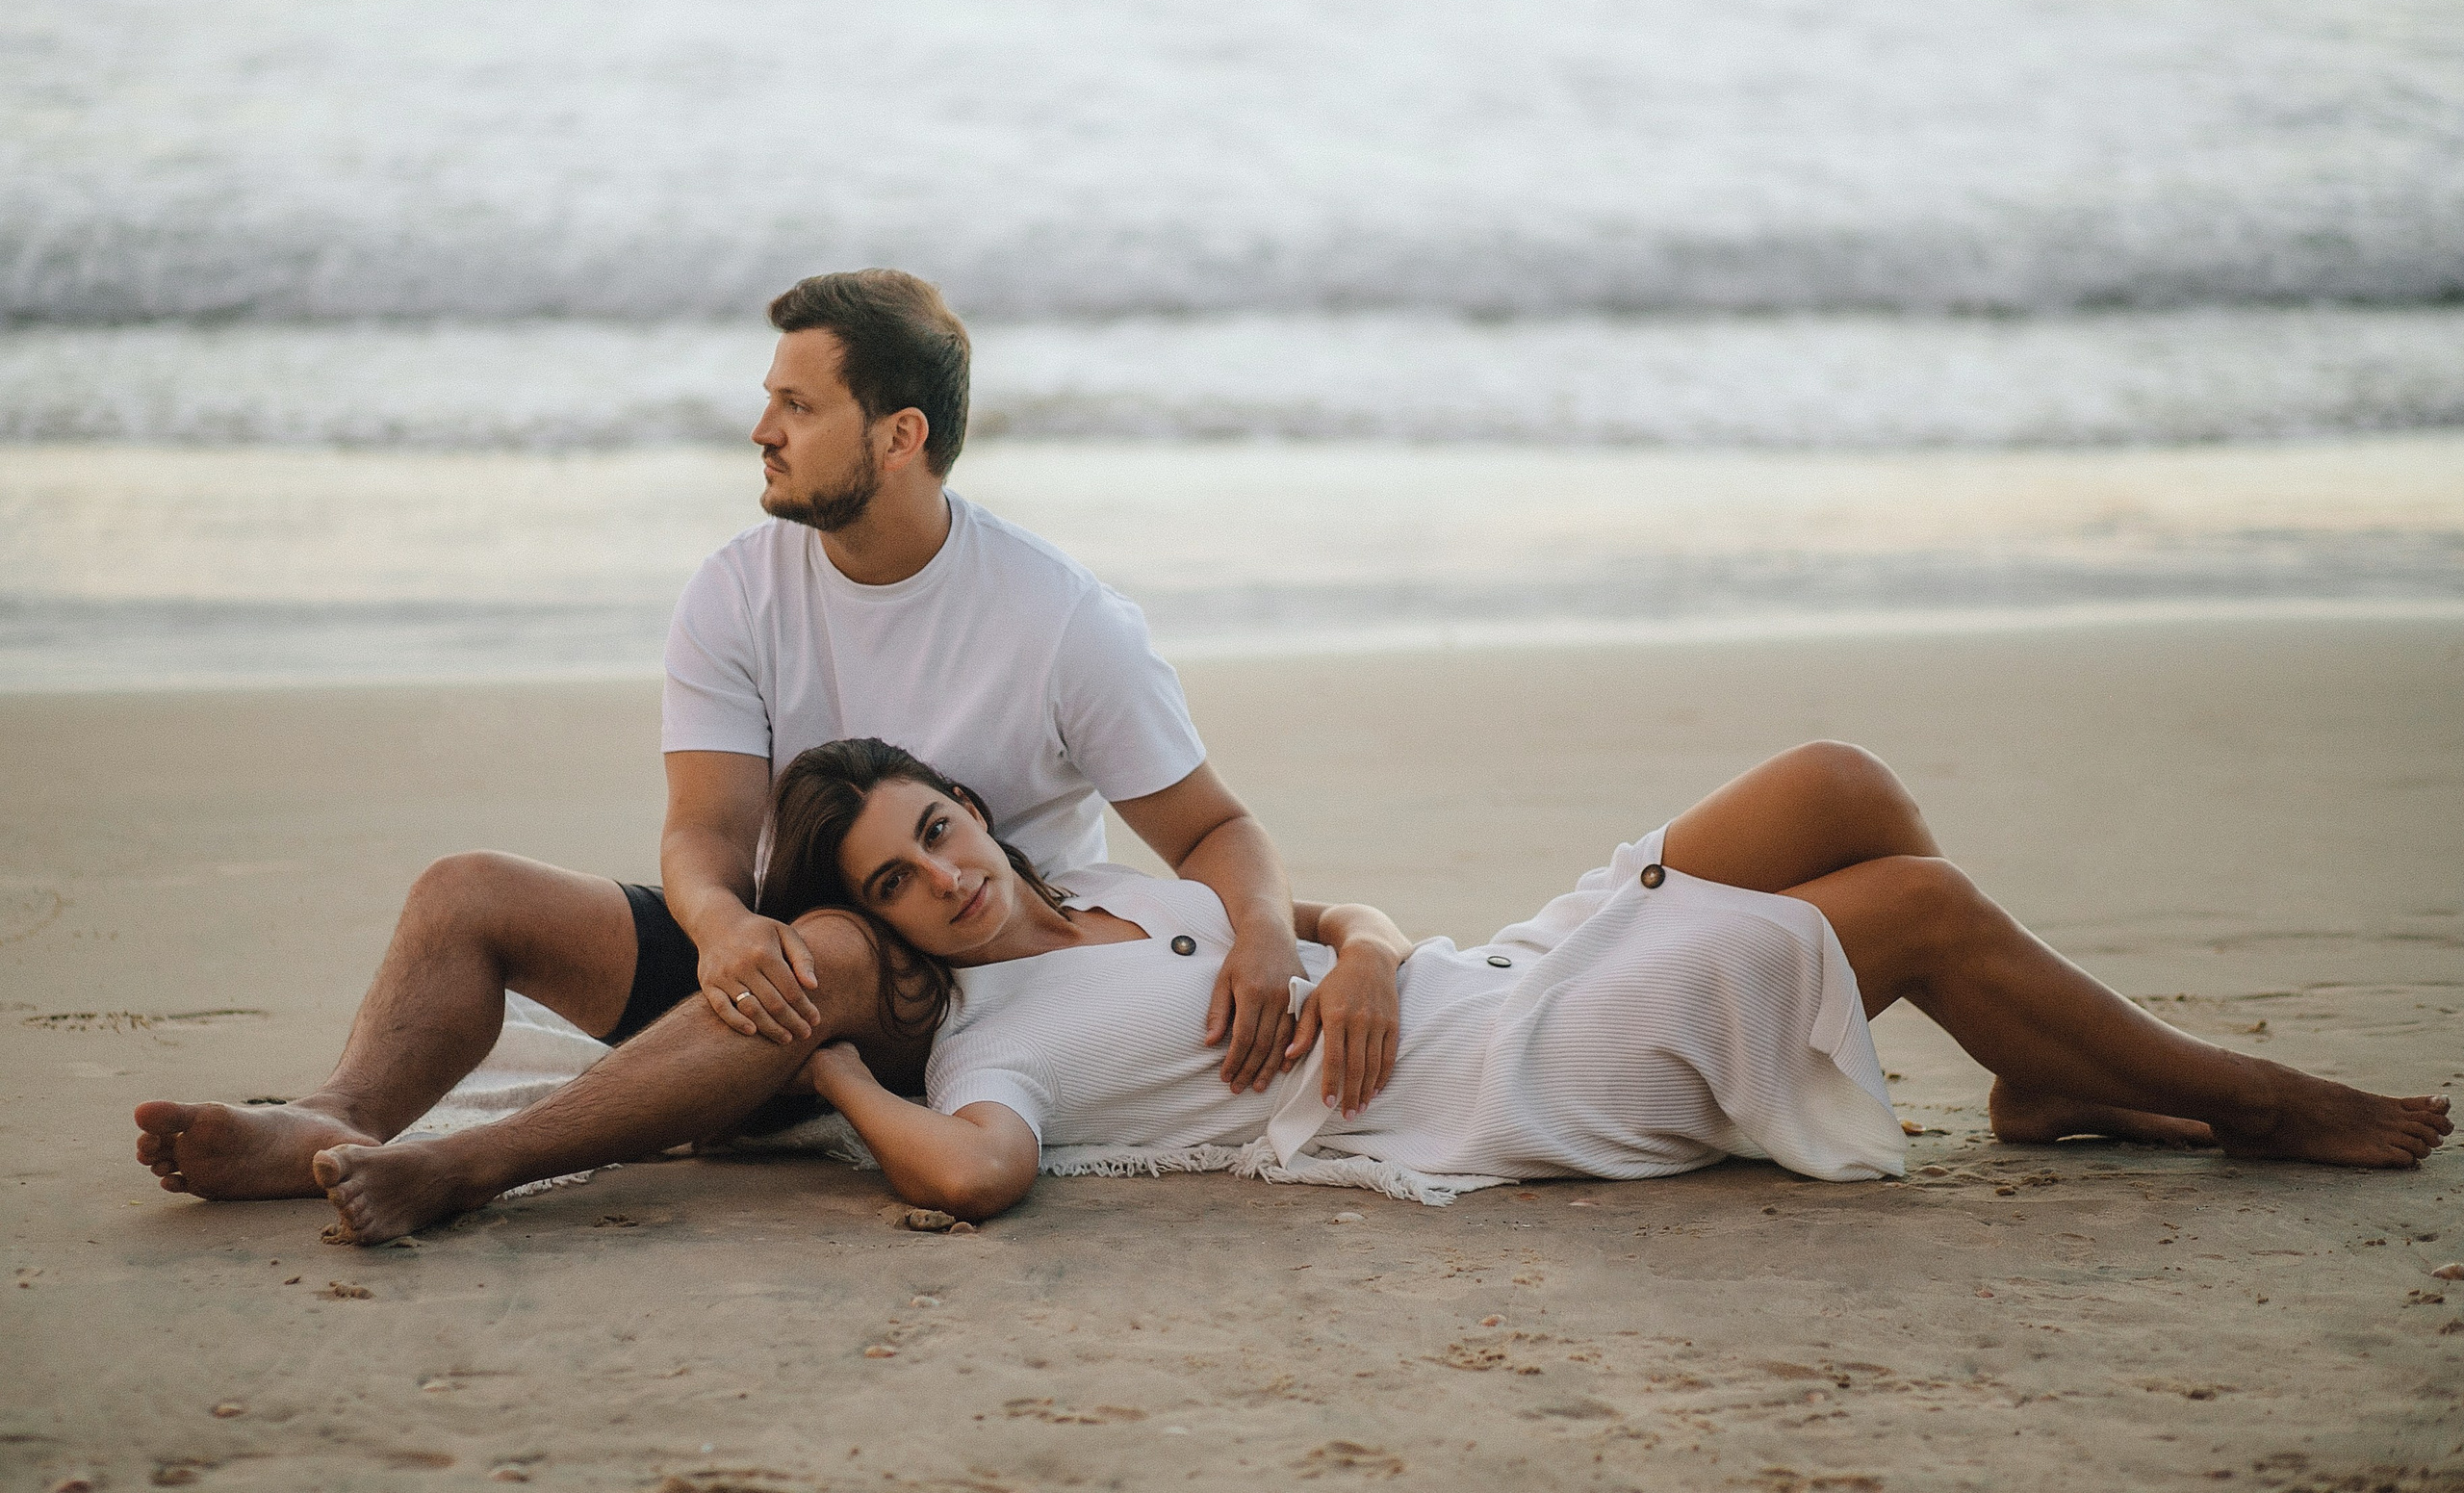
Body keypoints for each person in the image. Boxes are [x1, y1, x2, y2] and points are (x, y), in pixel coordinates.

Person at [134, 269, 1335, 1207]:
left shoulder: (1063, 621)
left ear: (898, 435)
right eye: (770, 397)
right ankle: (335, 1118)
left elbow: (1212, 827)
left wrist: (1266, 935)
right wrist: (718, 925)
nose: (761, 427)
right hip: (761, 962)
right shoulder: (736, 590)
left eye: (798, 406)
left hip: (965, 998)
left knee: (837, 946)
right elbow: (704, 836)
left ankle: (476, 1165)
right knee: (469, 894)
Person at [306, 737, 2450, 1244]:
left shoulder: (1125, 900)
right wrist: (832, 1081)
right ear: (893, 952)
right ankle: (2240, 1095)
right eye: (901, 890)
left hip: (1479, 972)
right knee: (1906, 905)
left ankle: (2056, 1091)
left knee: (1830, 785)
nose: (952, 872)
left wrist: (1355, 942)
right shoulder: (999, 1038)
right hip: (1514, 1081)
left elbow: (1332, 899)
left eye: (944, 829)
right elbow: (966, 1180)